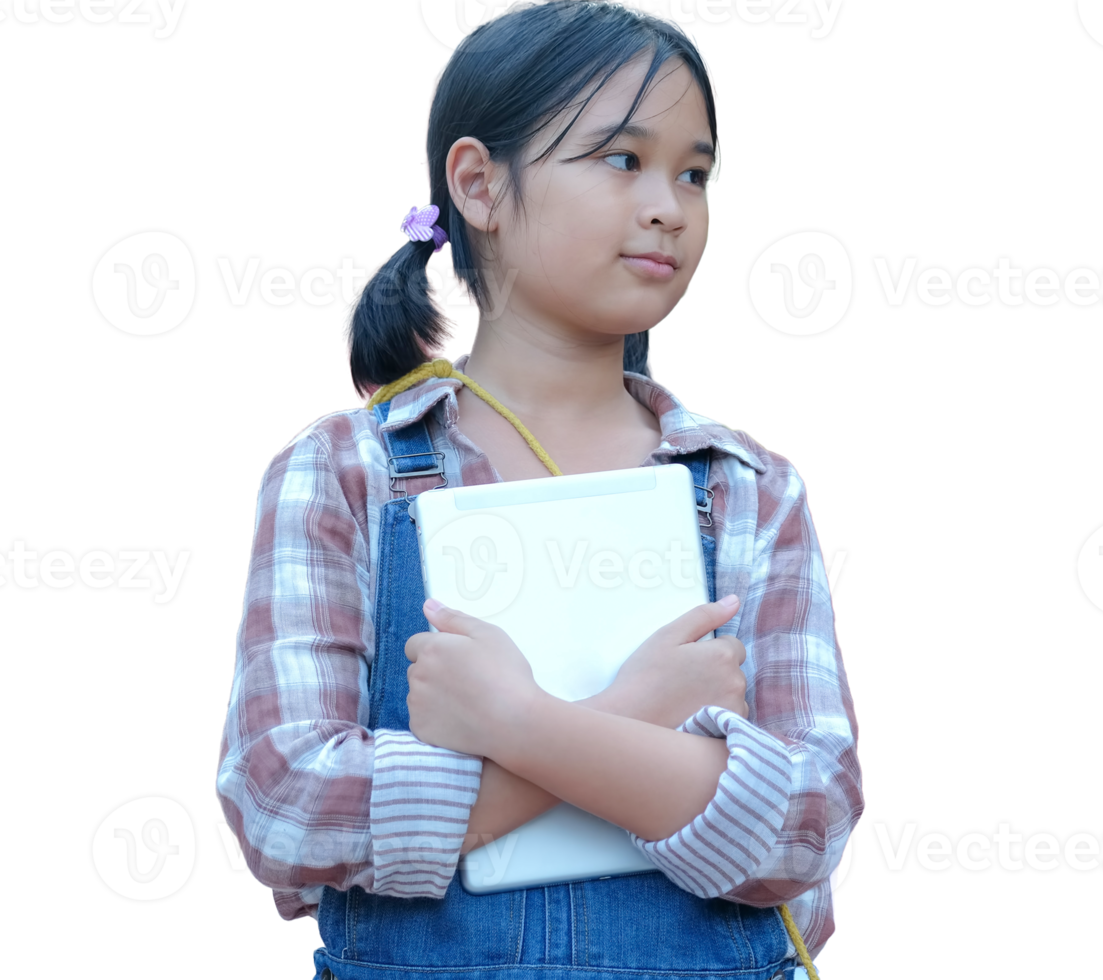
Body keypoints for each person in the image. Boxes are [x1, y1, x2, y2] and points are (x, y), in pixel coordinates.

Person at [215, 3, 864, 979]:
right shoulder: (344, 471)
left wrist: (520, 720)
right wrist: (642, 713)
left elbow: (803, 827)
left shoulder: (746, 488)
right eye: (619, 158)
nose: (669, 205)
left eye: (694, 172)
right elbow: (284, 805)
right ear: (477, 183)